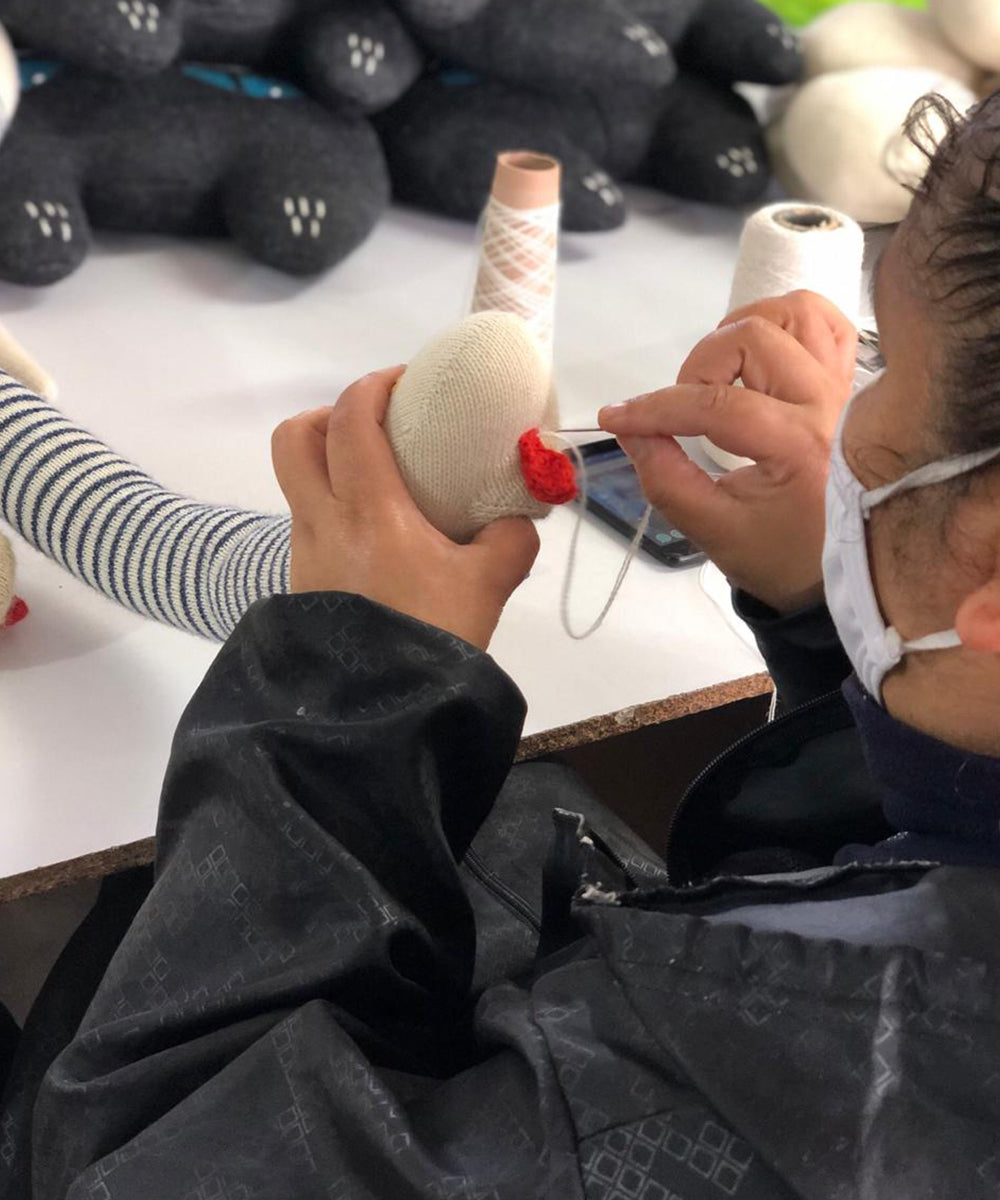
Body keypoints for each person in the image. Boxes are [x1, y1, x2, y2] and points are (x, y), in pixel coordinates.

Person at [5, 93, 1000, 1199]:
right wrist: (843, 610)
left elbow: (139, 1165)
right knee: (506, 815)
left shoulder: (732, 1096)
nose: (851, 409)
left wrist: (348, 683)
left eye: (885, 372)